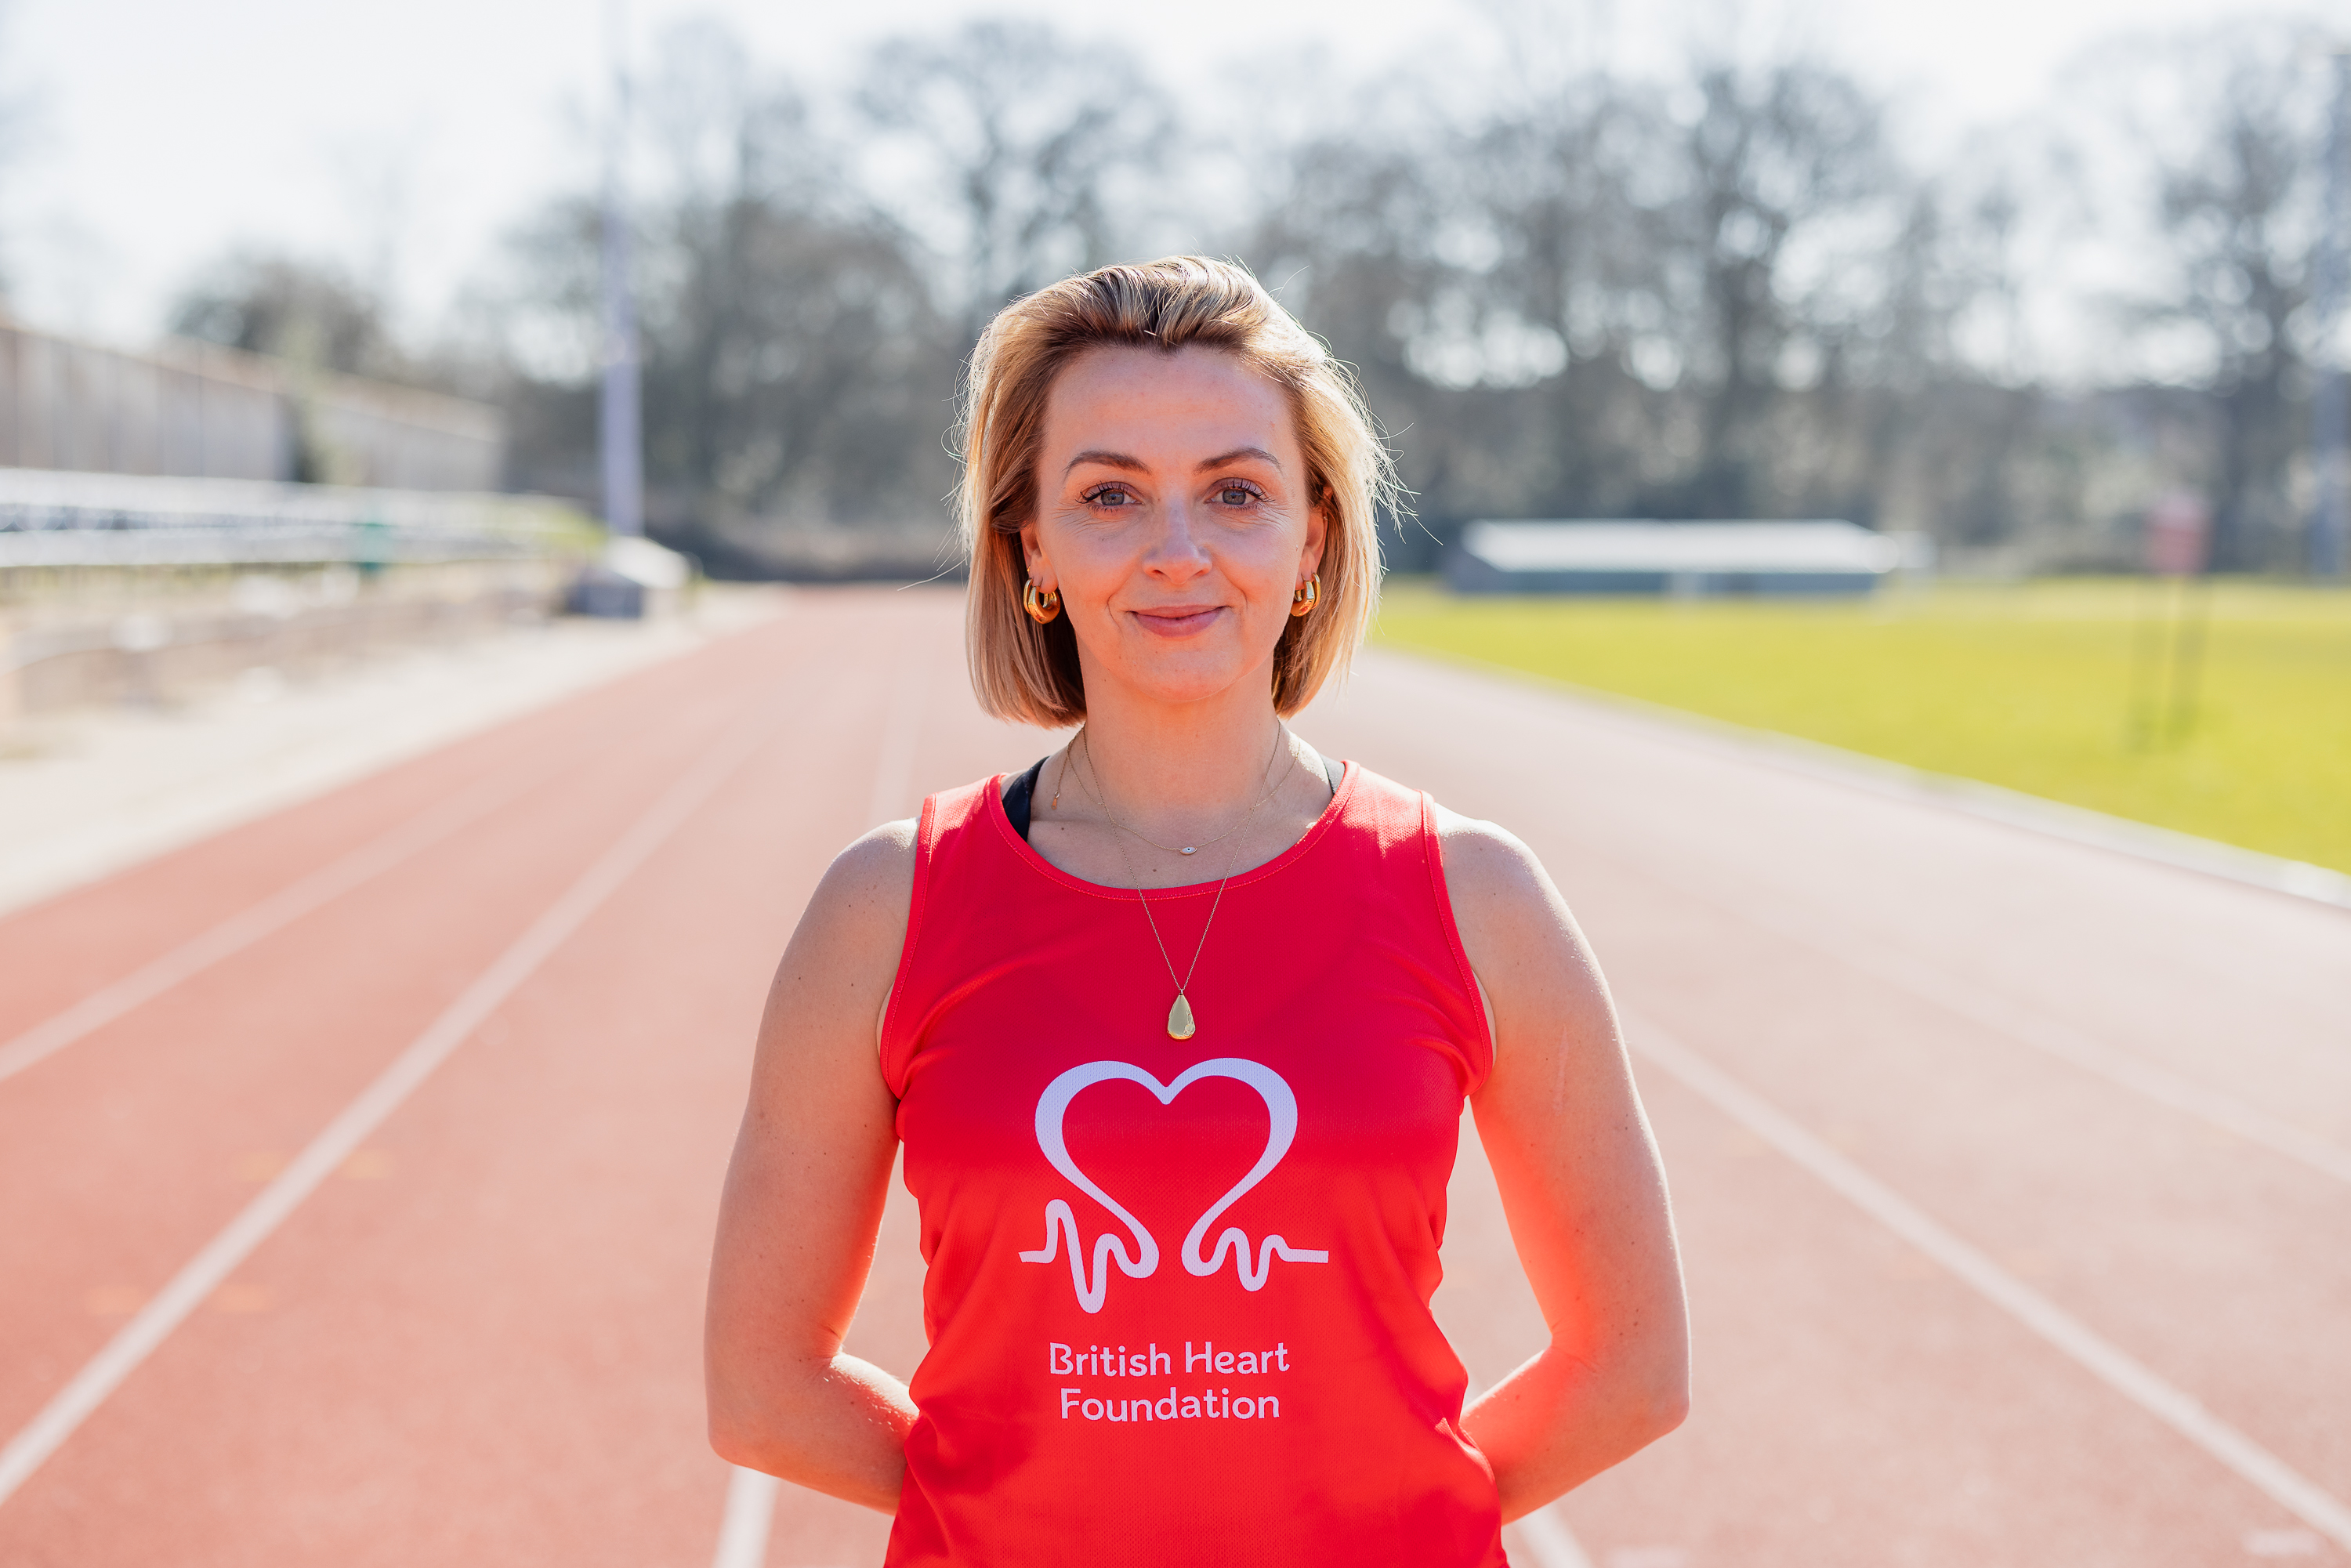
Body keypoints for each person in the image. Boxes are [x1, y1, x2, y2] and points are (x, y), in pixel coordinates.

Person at [705, 255, 1687, 1566]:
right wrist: (1017, 1516)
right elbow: (763, 1384)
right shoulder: (887, 906)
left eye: (1236, 492)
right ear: (1032, 549)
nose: (1179, 553)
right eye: (1111, 495)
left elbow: (1634, 1363)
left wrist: (1384, 1517)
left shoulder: (1473, 894)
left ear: (1313, 538)